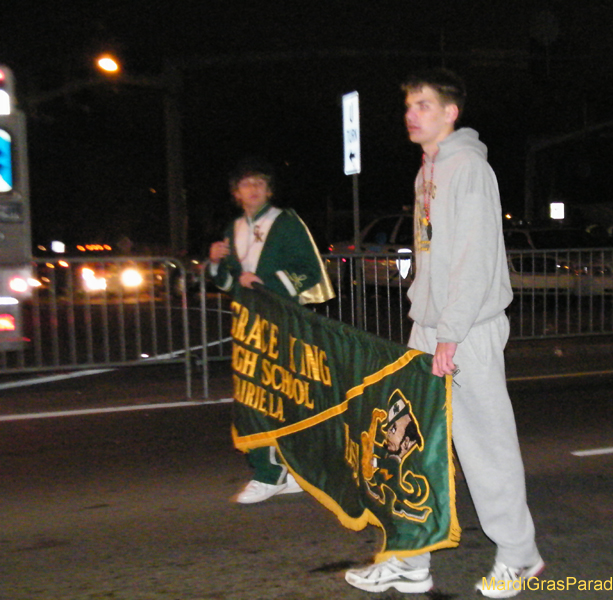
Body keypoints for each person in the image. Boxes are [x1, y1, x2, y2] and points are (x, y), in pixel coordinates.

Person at [345, 69, 544, 598]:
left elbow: (473, 261)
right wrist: (425, 321)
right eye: (409, 105)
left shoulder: (469, 168)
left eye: (425, 105)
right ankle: (409, 558)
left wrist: (451, 333)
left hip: (466, 331)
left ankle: (520, 555)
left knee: (484, 446)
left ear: (451, 112)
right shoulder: (428, 170)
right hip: (431, 328)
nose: (413, 114)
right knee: (406, 444)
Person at [208, 156, 334, 503]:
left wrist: (267, 283)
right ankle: (289, 468)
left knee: (278, 393)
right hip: (248, 323)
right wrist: (216, 262)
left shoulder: (286, 222)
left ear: (269, 191)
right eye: (246, 184)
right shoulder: (232, 228)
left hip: (281, 320)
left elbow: (309, 269)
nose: (253, 189)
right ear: (236, 193)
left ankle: (271, 471)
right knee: (257, 394)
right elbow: (227, 281)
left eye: (260, 184)